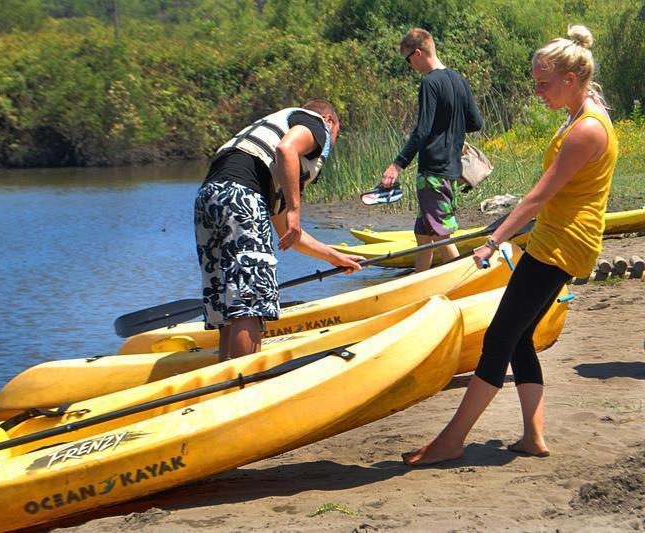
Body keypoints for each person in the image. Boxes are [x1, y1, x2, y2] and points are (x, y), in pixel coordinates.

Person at [402, 25, 618, 466]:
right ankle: (533, 437)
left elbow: (540, 195)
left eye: (544, 83)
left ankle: (451, 440)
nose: (537, 91)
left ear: (571, 78)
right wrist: (506, 229)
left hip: (560, 245)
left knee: (499, 336)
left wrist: (494, 239)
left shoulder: (587, 129)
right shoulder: (584, 113)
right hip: (556, 238)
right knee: (518, 337)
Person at [194, 100, 364, 360]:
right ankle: (246, 382)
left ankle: (226, 382)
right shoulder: (315, 123)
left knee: (228, 305)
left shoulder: (260, 163)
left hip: (209, 198)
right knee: (249, 303)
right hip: (241, 196)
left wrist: (334, 257)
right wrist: (296, 208)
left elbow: (290, 235)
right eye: (336, 136)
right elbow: (286, 150)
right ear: (330, 120)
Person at [380, 28, 484, 272]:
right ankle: (420, 280)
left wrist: (397, 165)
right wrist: (450, 127)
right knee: (424, 235)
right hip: (451, 170)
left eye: (408, 59)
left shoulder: (430, 82)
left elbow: (422, 129)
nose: (409, 65)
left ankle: (469, 279)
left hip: (433, 171)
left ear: (418, 53)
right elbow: (475, 123)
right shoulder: (459, 81)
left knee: (440, 235)